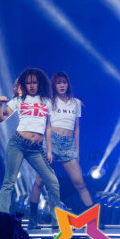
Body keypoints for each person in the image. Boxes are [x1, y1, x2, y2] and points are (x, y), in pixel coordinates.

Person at [0, 68, 60, 230]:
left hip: (36, 149)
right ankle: (2, 221)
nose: (31, 85)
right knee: (9, 182)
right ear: (24, 84)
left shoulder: (46, 101)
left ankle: (56, 221)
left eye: (34, 82)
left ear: (39, 83)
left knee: (52, 182)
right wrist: (0, 104)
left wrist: (49, 150)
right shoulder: (19, 100)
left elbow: (48, 128)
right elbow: (0, 118)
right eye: (28, 83)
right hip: (17, 144)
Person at [28, 72, 91, 221]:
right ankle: (32, 218)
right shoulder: (49, 101)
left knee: (80, 183)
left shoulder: (76, 103)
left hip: (68, 145)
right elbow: (46, 125)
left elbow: (77, 129)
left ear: (68, 84)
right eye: (58, 83)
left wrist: (77, 150)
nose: (62, 85)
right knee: (39, 181)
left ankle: (93, 220)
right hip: (52, 141)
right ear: (54, 85)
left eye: (64, 82)